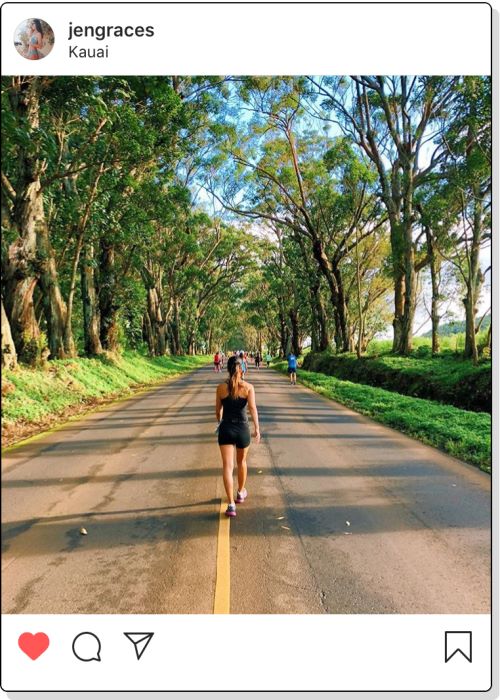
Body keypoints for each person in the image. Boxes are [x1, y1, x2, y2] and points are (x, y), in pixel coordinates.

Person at [216, 355, 260, 517]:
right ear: (242, 369)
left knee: (227, 466)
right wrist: (257, 428)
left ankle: (231, 504)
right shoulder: (248, 387)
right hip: (242, 429)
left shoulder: (220, 388)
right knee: (241, 462)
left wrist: (221, 423)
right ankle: (240, 492)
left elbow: (217, 412)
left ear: (227, 369)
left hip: (226, 429)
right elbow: (253, 409)